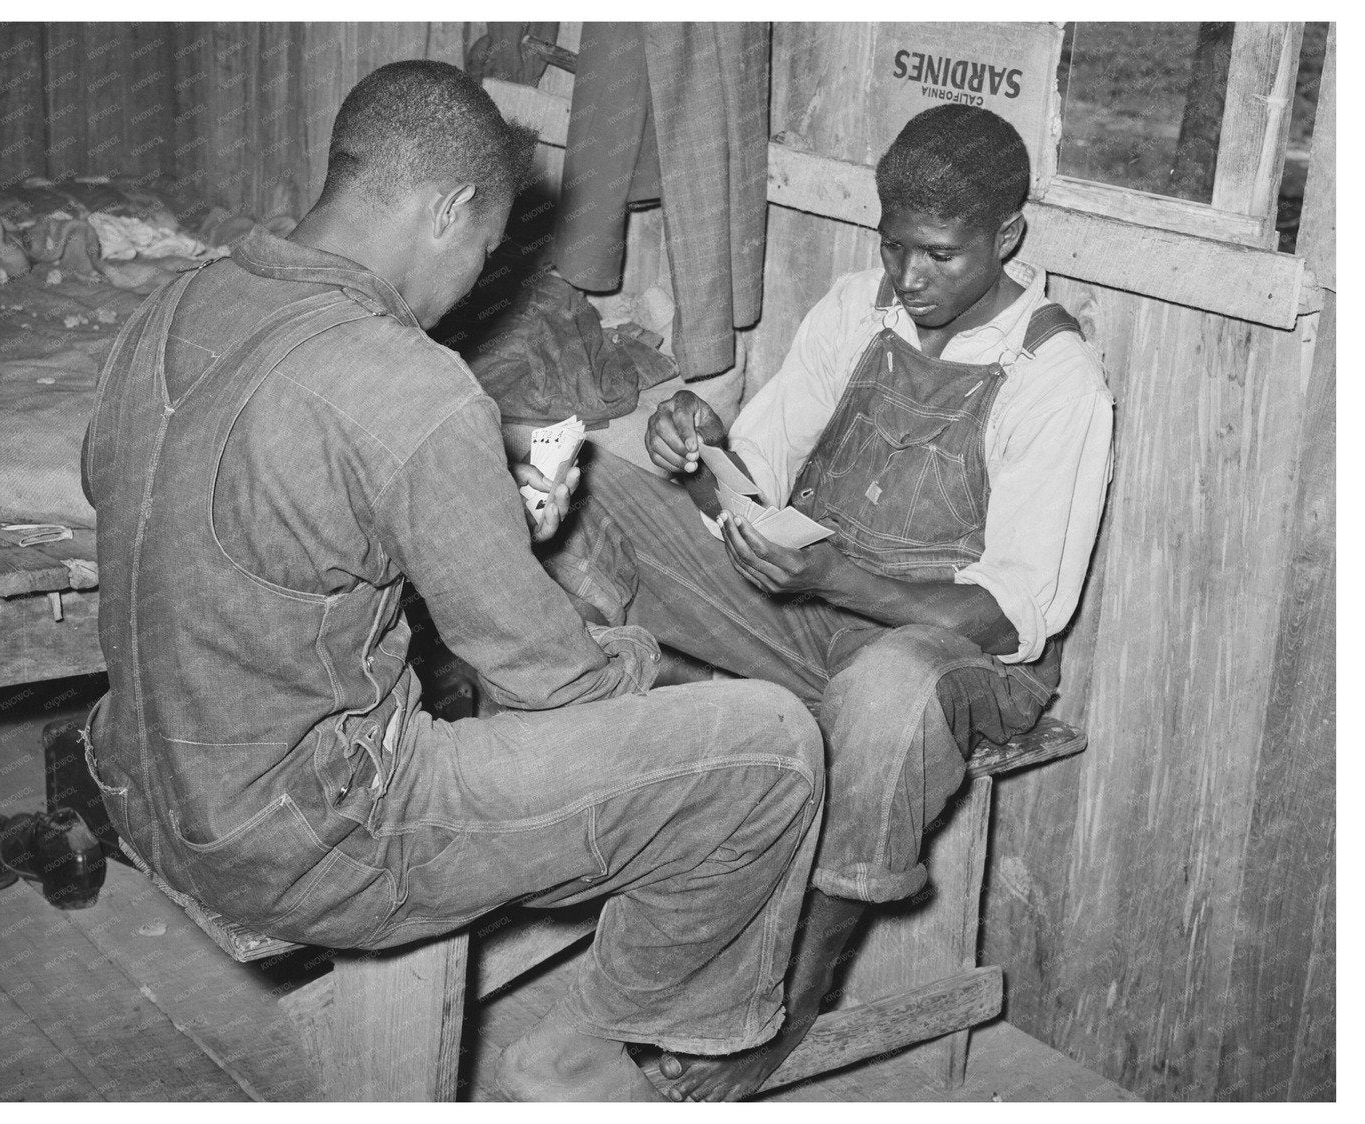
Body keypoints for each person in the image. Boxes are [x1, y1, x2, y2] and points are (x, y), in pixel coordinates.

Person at [80, 61, 824, 1102]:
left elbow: (194, 494)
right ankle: (614, 1044)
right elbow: (552, 683)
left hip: (140, 780)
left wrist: (461, 491)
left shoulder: (176, 304)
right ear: (450, 209)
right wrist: (643, 663)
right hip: (310, 843)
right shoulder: (411, 385)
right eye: (484, 248)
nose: (477, 278)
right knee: (771, 746)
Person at [544, 103, 1115, 1100]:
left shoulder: (1054, 374)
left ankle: (792, 994)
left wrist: (840, 582)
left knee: (889, 693)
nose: (910, 276)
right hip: (810, 608)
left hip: (956, 654)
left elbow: (1018, 612)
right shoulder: (858, 309)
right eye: (895, 246)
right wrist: (698, 443)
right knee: (589, 482)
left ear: (1006, 237)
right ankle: (606, 801)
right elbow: (754, 475)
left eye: (940, 255)